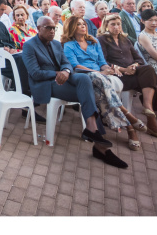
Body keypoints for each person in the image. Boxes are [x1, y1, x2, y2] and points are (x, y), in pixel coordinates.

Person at [22, 17, 126, 169]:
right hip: (46, 84)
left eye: (53, 28)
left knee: (84, 80)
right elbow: (35, 73)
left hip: (64, 79)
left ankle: (91, 128)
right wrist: (58, 73)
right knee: (89, 94)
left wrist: (65, 70)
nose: (52, 31)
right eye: (48, 28)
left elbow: (66, 63)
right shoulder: (29, 46)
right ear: (38, 28)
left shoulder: (57, 44)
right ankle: (100, 147)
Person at [62, 16, 147, 151]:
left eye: (84, 23)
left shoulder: (94, 42)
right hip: (83, 76)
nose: (83, 26)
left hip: (100, 78)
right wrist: (100, 73)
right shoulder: (68, 45)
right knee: (100, 78)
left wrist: (107, 69)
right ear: (72, 27)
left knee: (100, 93)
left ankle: (129, 127)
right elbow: (75, 66)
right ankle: (129, 122)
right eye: (79, 24)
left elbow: (102, 62)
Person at [97, 14, 157, 141]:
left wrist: (133, 66)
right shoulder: (102, 39)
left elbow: (138, 59)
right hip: (117, 75)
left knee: (148, 69)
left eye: (118, 24)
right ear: (106, 26)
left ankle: (148, 108)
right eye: (113, 24)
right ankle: (152, 123)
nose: (116, 27)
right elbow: (102, 62)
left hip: (132, 72)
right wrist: (123, 69)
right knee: (148, 79)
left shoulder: (125, 39)